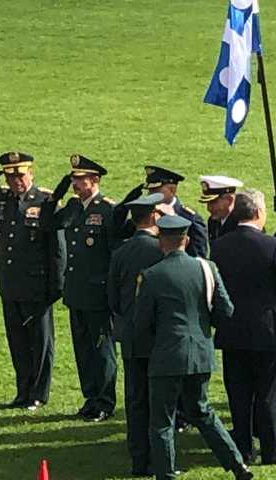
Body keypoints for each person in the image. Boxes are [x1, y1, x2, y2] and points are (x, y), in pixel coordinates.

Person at [133, 215, 253, 480]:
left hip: (165, 356)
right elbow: (227, 309)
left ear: (160, 242)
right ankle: (238, 465)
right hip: (200, 353)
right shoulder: (207, 268)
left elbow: (141, 323)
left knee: (162, 422)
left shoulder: (151, 276)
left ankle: (166, 475)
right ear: (186, 240)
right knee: (202, 412)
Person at [0, 152, 64, 410]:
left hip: (37, 285)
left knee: (40, 343)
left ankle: (38, 394)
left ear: (31, 173)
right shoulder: (0, 199)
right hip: (9, 283)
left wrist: (56, 287)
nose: (15, 180)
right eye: (9, 175)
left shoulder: (44, 201)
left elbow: (57, 249)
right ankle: (23, 391)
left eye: (19, 174)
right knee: (17, 342)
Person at [210, 189, 276, 465]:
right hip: (268, 331)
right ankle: (273, 451)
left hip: (232, 330)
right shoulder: (273, 246)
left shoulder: (220, 246)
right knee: (269, 396)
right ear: (260, 213)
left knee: (238, 394)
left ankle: (243, 450)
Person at [40, 154, 117, 422]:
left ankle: (105, 402)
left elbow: (113, 254)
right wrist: (56, 194)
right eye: (73, 179)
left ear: (94, 181)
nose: (75, 184)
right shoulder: (73, 207)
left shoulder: (107, 210)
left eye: (79, 179)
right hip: (76, 293)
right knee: (83, 351)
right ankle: (90, 398)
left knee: (102, 351)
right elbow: (47, 223)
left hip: (98, 295)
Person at [107, 193, 165, 477]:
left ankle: (138, 459)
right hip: (159, 338)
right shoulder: (161, 250)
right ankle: (159, 457)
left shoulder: (121, 252)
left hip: (131, 336)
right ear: (154, 216)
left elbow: (113, 299)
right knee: (160, 402)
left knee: (135, 400)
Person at [144, 165, 208, 258]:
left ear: (172, 190)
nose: (150, 195)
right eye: (149, 190)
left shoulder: (190, 219)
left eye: (155, 190)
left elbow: (198, 258)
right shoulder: (145, 214)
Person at [199, 175, 243, 247]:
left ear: (229, 200)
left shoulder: (242, 223)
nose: (209, 208)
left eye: (213, 202)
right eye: (207, 203)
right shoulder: (213, 221)